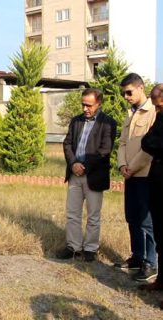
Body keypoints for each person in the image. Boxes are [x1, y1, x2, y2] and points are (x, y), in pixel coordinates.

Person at [57, 88, 117, 262]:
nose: (85, 108)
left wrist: (84, 166)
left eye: (89, 105)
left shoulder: (108, 123)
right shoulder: (76, 121)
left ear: (99, 103)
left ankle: (90, 249)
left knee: (93, 215)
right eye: (83, 104)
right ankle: (73, 247)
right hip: (75, 174)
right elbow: (67, 143)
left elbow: (105, 150)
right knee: (72, 213)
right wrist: (74, 163)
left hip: (94, 175)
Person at [114, 73, 157, 282]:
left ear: (141, 88)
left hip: (145, 174)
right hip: (129, 174)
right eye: (123, 93)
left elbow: (151, 148)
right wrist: (123, 165)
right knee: (131, 217)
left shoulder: (153, 112)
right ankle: (137, 257)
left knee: (146, 220)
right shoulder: (130, 114)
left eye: (129, 92)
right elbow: (122, 143)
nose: (126, 96)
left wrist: (132, 167)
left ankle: (151, 263)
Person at [140, 84, 163, 306]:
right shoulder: (160, 117)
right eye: (156, 107)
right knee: (159, 232)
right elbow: (146, 141)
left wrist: (156, 144)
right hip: (157, 180)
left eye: (160, 106)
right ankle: (161, 281)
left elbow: (153, 142)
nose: (158, 110)